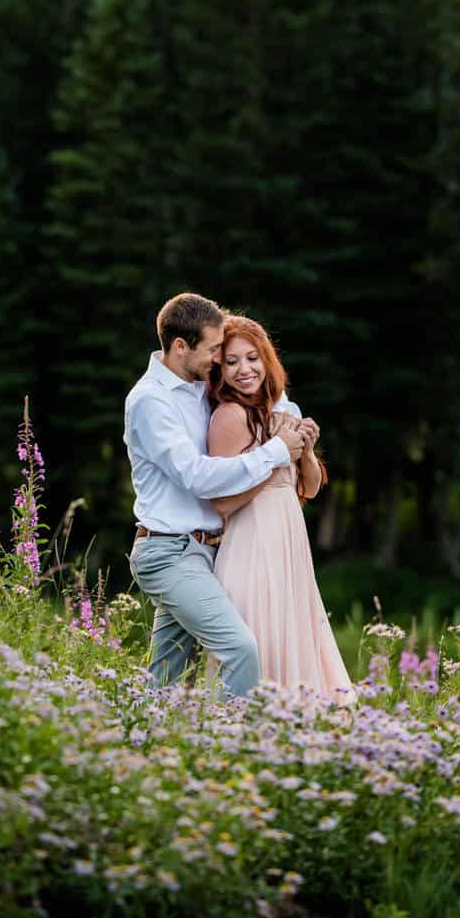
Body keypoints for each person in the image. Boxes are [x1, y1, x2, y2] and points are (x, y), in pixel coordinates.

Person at [125, 292, 311, 698]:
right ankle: (228, 749)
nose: (217, 359)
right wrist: (277, 451)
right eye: (212, 350)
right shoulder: (150, 402)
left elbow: (262, 389)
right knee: (241, 649)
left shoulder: (194, 384)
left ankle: (137, 745)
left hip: (206, 551)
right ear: (180, 347)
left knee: (166, 676)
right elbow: (197, 477)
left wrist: (291, 421)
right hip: (168, 553)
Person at [207, 314, 354, 702]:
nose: (244, 370)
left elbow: (309, 486)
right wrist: (274, 454)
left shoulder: (283, 412)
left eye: (252, 358)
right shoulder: (228, 417)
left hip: (290, 546)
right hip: (250, 544)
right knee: (261, 635)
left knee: (293, 633)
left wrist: (303, 448)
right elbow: (220, 501)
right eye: (232, 362)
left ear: (266, 360)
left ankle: (293, 730)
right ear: (219, 370)